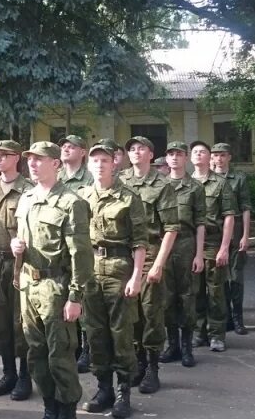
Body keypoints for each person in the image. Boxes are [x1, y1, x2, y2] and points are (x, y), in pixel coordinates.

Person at [11, 141, 92, 419]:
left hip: (56, 287)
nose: (32, 164)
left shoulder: (72, 202)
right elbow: (22, 240)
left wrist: (75, 297)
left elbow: (80, 256)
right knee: (35, 352)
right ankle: (49, 406)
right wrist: (16, 249)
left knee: (60, 354)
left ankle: (67, 408)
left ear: (55, 164)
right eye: (30, 159)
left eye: (39, 159)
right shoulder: (27, 198)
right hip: (28, 286)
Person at [78, 141, 147, 419]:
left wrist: (137, 277)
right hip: (90, 270)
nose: (99, 164)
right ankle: (103, 388)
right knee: (94, 333)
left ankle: (123, 393)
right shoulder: (81, 196)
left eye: (105, 160)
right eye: (95, 160)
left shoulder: (129, 197)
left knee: (121, 334)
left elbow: (140, 242)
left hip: (119, 269)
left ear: (114, 163)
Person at [122, 137, 179, 394]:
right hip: (124, 255)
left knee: (150, 312)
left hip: (151, 252)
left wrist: (158, 264)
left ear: (150, 154)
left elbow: (171, 228)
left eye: (141, 148)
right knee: (130, 312)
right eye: (132, 149)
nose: (136, 152)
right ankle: (139, 362)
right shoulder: (120, 180)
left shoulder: (162, 184)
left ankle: (153, 368)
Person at [0, 140, 34, 401]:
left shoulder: (29, 189)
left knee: (20, 321)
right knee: (0, 323)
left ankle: (25, 375)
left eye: (4, 155)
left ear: (16, 158)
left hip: (19, 265)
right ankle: (8, 372)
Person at [159, 141, 206, 368]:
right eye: (171, 155)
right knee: (166, 298)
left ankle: (187, 347)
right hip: (164, 247)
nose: (175, 158)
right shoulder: (160, 185)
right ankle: (173, 345)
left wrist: (199, 254)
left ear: (185, 158)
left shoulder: (195, 187)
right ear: (166, 159)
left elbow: (200, 223)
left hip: (186, 245)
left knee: (187, 296)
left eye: (179, 154)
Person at [189, 141, 237, 353]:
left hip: (213, 242)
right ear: (191, 157)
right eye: (195, 152)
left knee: (216, 290)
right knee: (195, 290)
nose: (198, 155)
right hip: (189, 244)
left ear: (210, 157)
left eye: (202, 152)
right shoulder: (186, 182)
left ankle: (217, 334)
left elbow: (229, 217)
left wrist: (224, 247)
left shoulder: (220, 183)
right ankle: (199, 332)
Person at [57, 134, 93, 372]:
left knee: (85, 298)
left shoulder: (90, 178)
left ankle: (88, 348)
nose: (66, 149)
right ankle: (73, 347)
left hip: (84, 243)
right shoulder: (56, 177)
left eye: (73, 146)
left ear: (83, 152)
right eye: (64, 146)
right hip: (61, 247)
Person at [211, 143, 252, 335]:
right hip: (215, 234)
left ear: (229, 157)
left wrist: (245, 235)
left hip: (235, 232)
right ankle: (225, 318)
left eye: (222, 155)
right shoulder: (207, 179)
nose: (218, 159)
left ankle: (238, 319)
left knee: (236, 278)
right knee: (219, 279)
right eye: (216, 155)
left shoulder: (239, 179)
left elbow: (245, 208)